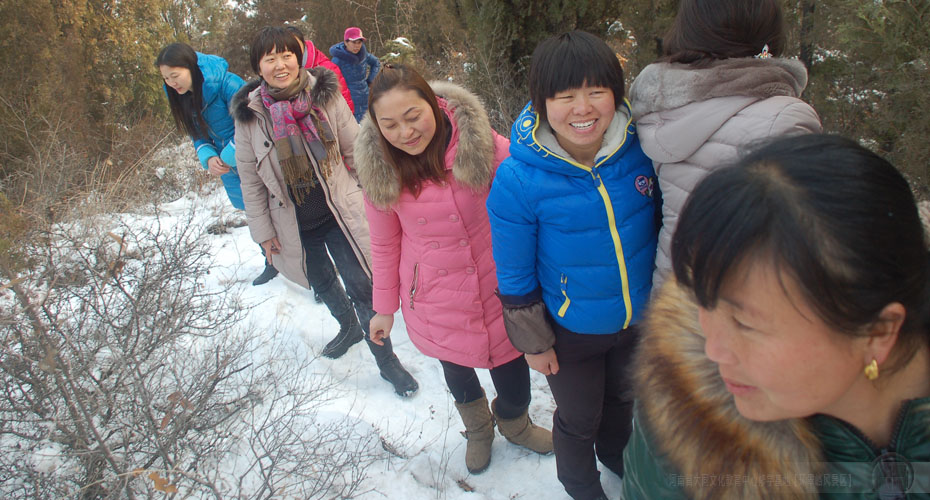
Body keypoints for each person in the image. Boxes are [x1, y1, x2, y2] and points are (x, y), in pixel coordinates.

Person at [622, 134, 930, 499]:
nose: (714, 349)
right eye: (704, 300)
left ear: (878, 332)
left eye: (746, 324)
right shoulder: (681, 416)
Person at [354, 64, 553, 474]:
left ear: (434, 104)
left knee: (512, 369)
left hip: (497, 285)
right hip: (434, 296)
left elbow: (527, 195)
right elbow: (385, 242)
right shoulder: (381, 173)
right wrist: (383, 307)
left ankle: (515, 423)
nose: (405, 133)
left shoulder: (480, 146)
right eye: (389, 125)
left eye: (413, 117)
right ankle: (478, 429)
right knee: (458, 372)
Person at [487, 31, 659, 500]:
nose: (582, 108)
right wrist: (534, 343)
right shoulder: (519, 178)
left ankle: (618, 458)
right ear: (542, 103)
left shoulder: (642, 149)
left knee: (622, 401)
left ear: (615, 94)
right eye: (565, 96)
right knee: (580, 417)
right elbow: (515, 275)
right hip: (571, 333)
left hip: (637, 320)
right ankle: (581, 485)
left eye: (596, 92)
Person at [231, 26, 418, 396]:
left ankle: (387, 362)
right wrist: (262, 232)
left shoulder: (325, 95)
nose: (280, 64)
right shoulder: (248, 116)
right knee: (321, 282)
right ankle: (347, 326)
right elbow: (250, 180)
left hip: (339, 214)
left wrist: (375, 196)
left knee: (362, 286)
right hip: (292, 223)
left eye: (287, 55)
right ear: (258, 66)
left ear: (299, 56)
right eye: (270, 58)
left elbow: (356, 150)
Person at [628, 0, 822, 290]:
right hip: (742, 302)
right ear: (765, 33)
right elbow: (811, 239)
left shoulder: (658, 106)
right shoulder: (786, 118)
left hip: (672, 295)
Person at [156, 42, 279, 286]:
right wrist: (208, 156)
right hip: (229, 167)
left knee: (279, 211)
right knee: (254, 213)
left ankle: (308, 267)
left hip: (257, 159)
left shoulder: (226, 83)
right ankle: (271, 261)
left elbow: (253, 122)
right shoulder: (182, 96)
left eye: (175, 75)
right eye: (166, 78)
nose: (172, 83)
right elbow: (197, 134)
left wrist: (230, 154)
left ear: (190, 68)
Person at [283, 26, 355, 114]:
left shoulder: (326, 68)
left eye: (296, 46)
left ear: (303, 45)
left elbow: (345, 104)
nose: (293, 51)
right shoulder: (282, 70)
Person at [330, 27, 380, 122]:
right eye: (353, 42)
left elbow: (376, 63)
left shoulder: (363, 55)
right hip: (349, 102)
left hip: (365, 98)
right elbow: (331, 81)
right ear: (346, 42)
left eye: (359, 42)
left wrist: (370, 80)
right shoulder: (337, 60)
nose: (357, 46)